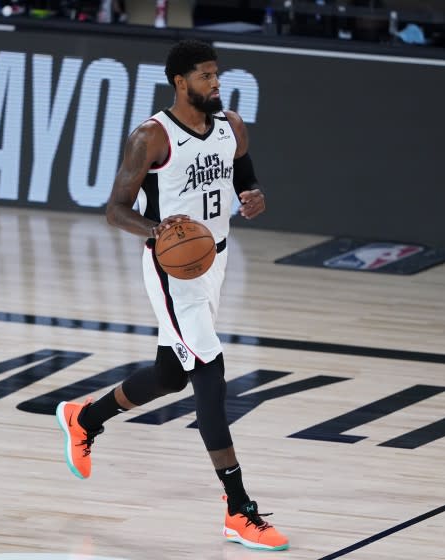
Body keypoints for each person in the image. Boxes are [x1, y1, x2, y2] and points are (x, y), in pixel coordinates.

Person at [55, 39, 288, 552]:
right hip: (172, 268)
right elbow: (115, 209)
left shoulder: (230, 125)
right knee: (210, 370)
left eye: (217, 75)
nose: (215, 83)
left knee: (170, 374)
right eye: (205, 76)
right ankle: (239, 509)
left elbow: (244, 173)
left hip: (215, 260)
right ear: (181, 82)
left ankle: (84, 418)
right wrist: (159, 230)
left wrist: (253, 195)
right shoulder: (152, 137)